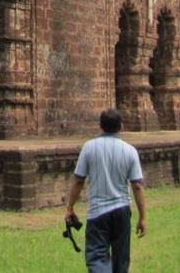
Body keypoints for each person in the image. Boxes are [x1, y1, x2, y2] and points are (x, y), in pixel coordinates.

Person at [65, 108, 146, 273]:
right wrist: (142, 217)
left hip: (98, 212)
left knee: (96, 258)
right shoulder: (130, 150)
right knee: (121, 260)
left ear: (100, 126)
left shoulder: (89, 147)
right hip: (122, 211)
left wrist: (70, 207)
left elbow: (79, 180)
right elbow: (137, 186)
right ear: (121, 127)